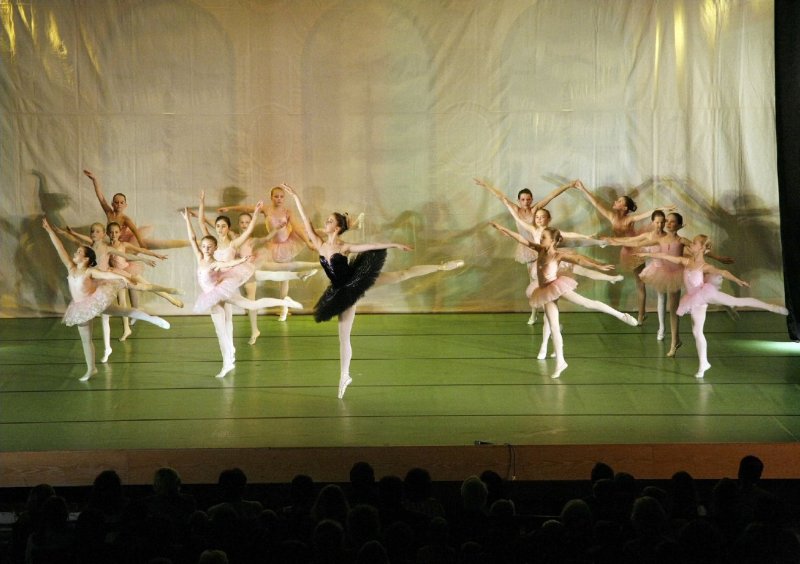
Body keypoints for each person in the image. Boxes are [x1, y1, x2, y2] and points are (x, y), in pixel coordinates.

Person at [281, 183, 413, 398]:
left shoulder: (344, 247)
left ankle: (344, 375)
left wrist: (394, 244)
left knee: (345, 335)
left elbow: (371, 246)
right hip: (338, 290)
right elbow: (306, 221)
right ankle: (346, 375)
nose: (326, 222)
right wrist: (295, 196)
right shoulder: (320, 243)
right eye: (327, 220)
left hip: (351, 287)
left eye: (330, 221)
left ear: (337, 228)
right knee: (343, 337)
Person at [490, 222, 637, 378]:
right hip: (544, 291)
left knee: (587, 303)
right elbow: (521, 239)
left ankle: (621, 315)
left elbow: (579, 259)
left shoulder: (558, 255)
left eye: (544, 237)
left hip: (556, 286)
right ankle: (561, 362)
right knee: (554, 326)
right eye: (541, 237)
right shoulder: (539, 249)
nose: (540, 239)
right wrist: (502, 228)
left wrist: (598, 265)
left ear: (553, 241)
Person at [637, 234, 788, 379]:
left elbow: (723, 271)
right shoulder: (686, 261)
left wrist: (737, 280)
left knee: (737, 301)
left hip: (705, 293)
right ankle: (704, 364)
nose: (691, 244)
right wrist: (646, 255)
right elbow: (665, 256)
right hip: (694, 300)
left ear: (702, 248)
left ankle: (771, 307)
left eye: (694, 243)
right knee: (697, 332)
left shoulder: (705, 266)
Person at [42, 217, 170, 381]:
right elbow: (59, 247)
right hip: (79, 307)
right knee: (86, 341)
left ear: (86, 259)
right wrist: (49, 231)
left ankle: (153, 319)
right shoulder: (70, 267)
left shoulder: (90, 271)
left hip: (95, 300)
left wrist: (122, 277)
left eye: (79, 252)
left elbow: (106, 274)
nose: (75, 253)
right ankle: (91, 369)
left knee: (124, 311)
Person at [181, 206, 302, 378]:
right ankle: (229, 358)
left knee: (234, 319)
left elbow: (227, 264)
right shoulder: (200, 257)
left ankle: (228, 362)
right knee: (235, 318)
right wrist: (187, 220)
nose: (206, 248)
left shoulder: (216, 262)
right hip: (215, 294)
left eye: (209, 246)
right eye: (204, 246)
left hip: (221, 292)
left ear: (214, 248)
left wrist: (241, 260)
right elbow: (192, 238)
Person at [56, 222, 182, 361]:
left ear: (103, 234)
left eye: (97, 231)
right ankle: (107, 348)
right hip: (95, 282)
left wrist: (146, 258)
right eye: (92, 231)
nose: (94, 233)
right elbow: (76, 240)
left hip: (107, 278)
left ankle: (168, 291)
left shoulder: (107, 248)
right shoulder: (88, 248)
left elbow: (129, 256)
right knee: (105, 316)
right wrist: (67, 233)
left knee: (140, 287)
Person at [475, 178, 577, 324]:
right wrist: (486, 185)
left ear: (532, 200)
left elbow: (552, 195)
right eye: (523, 199)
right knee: (534, 281)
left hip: (541, 246)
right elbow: (501, 197)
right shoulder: (516, 210)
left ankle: (549, 314)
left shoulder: (535, 210)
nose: (526, 202)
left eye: (528, 199)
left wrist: (568, 185)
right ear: (518, 200)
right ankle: (534, 313)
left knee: (546, 280)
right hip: (527, 248)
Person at [575, 180, 675, 325]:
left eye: (619, 201)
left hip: (636, 248)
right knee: (631, 281)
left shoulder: (630, 219)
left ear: (625, 207)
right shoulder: (611, 216)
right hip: (625, 250)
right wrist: (583, 188)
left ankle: (641, 315)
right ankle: (631, 311)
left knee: (639, 283)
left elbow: (647, 214)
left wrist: (662, 208)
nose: (615, 201)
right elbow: (596, 203)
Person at [219, 185, 315, 322]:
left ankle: (284, 308)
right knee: (271, 273)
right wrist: (230, 208)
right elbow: (247, 209)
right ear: (271, 197)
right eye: (276, 196)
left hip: (287, 245)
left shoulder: (288, 212)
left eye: (281, 197)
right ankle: (281, 300)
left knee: (284, 278)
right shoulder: (267, 209)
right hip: (272, 246)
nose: (279, 199)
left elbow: (298, 228)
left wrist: (308, 243)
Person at [85, 169, 188, 249]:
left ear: (125, 205)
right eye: (116, 202)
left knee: (157, 244)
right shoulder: (109, 213)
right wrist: (95, 180)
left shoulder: (125, 219)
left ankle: (188, 242)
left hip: (126, 242)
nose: (119, 205)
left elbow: (135, 231)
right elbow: (101, 198)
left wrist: (141, 244)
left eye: (122, 203)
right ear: (112, 204)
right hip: (114, 241)